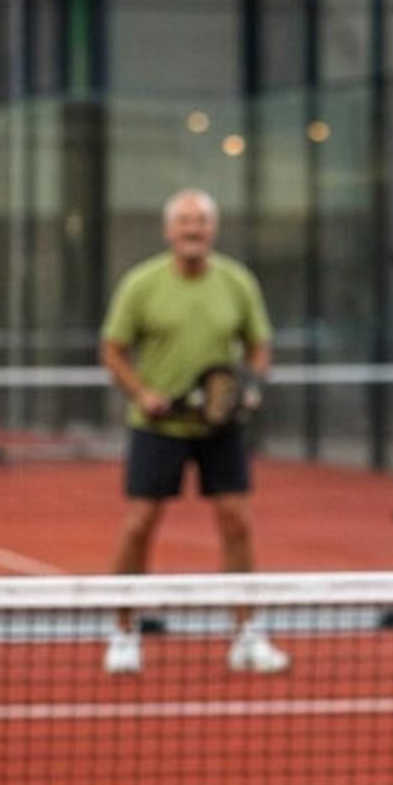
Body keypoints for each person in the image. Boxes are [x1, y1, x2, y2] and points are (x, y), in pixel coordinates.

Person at [98, 188, 288, 675]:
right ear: (168, 231)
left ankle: (246, 635)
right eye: (184, 221)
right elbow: (113, 350)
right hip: (157, 427)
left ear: (213, 230)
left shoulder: (236, 282)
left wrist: (249, 387)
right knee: (140, 523)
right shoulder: (142, 284)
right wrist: (142, 393)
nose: (193, 230)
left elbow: (259, 346)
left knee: (236, 522)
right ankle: (122, 634)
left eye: (201, 222)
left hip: (219, 429)